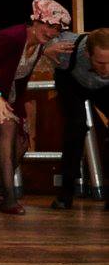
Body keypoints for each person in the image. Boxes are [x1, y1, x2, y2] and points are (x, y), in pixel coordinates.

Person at [0, 0, 71, 215]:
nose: (51, 32)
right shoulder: (11, 36)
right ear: (36, 20)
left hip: (7, 97)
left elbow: (20, 64)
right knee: (7, 126)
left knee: (20, 144)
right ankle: (10, 198)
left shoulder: (39, 44)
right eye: (48, 25)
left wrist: (48, 51)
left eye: (56, 29)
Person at [49, 27, 109, 209]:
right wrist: (45, 50)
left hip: (104, 88)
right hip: (72, 82)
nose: (106, 68)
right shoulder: (66, 48)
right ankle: (65, 194)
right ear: (88, 53)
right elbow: (40, 40)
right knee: (76, 126)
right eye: (100, 62)